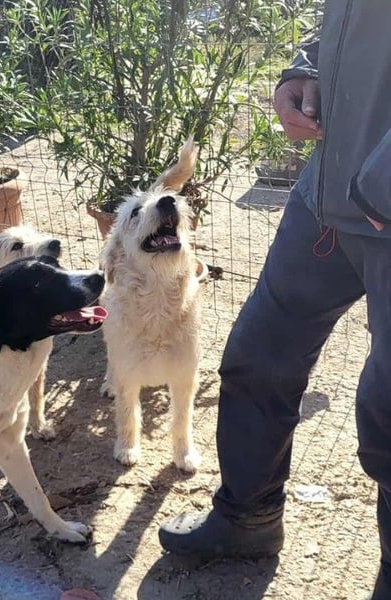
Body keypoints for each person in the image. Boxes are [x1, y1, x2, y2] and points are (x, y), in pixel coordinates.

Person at [158, 3, 391, 599]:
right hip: (326, 197)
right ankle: (249, 519)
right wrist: (304, 69)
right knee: (258, 357)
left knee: (390, 413)